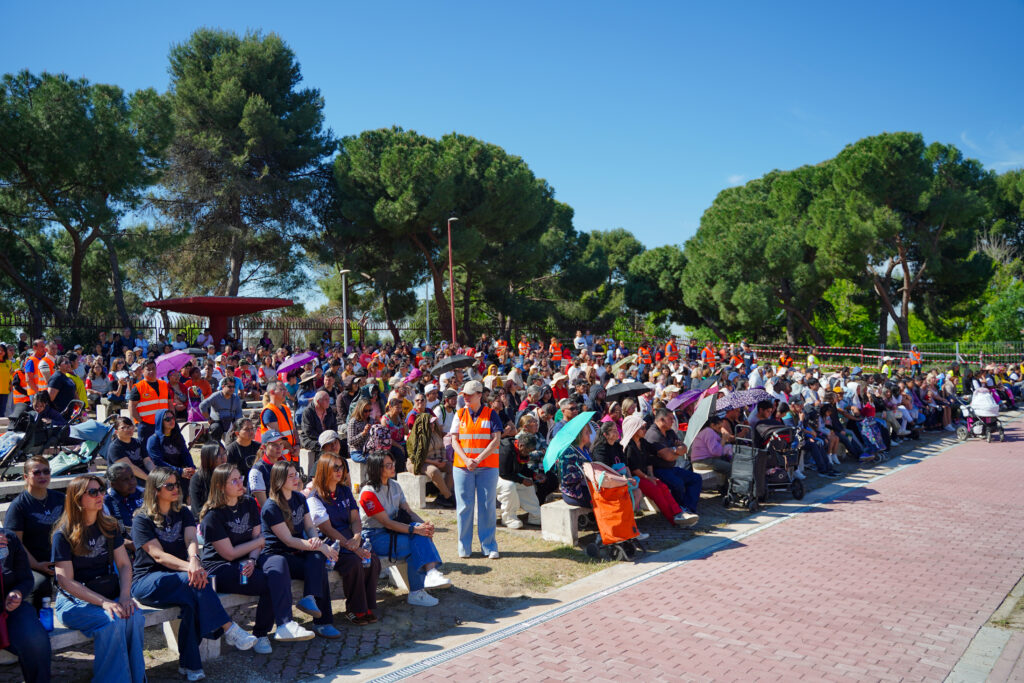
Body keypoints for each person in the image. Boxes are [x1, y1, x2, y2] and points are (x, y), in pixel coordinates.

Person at [130, 468, 257, 680]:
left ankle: (190, 665)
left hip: (183, 577)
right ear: (155, 490)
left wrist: (195, 560)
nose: (176, 488)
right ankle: (229, 629)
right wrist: (190, 567)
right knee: (195, 582)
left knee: (192, 602)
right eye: (169, 485)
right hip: (148, 580)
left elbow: (191, 540)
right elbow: (158, 556)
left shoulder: (183, 512)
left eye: (177, 484)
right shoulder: (141, 519)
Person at [52, 474, 146, 683]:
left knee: (135, 616)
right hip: (74, 601)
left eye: (101, 490)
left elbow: (124, 565)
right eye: (93, 492)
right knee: (112, 621)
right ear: (77, 499)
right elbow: (65, 581)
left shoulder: (110, 526)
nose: (100, 495)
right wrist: (104, 603)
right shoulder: (63, 534)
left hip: (108, 593)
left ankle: (137, 678)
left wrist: (125, 596)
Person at [200, 463, 301, 653]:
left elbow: (258, 540)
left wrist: (252, 559)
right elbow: (229, 553)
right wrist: (257, 544)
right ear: (220, 486)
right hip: (220, 567)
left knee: (278, 564)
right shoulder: (212, 516)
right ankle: (261, 634)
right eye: (234, 481)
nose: (241, 483)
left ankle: (283, 626)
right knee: (269, 583)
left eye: (240, 478)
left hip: (248, 560)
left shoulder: (248, 503)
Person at [358, 452, 450, 607]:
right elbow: (386, 523)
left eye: (393, 463)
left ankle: (425, 581)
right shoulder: (368, 493)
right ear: (377, 469)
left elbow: (408, 511)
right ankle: (423, 582)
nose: (393, 467)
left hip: (393, 531)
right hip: (375, 536)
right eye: (388, 465)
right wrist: (416, 530)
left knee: (420, 535)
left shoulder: (395, 485)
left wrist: (424, 525)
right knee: (416, 541)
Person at [260, 460, 340, 638]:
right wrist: (321, 546)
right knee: (318, 562)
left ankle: (310, 600)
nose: (296, 479)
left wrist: (316, 541)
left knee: (318, 559)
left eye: (296, 474)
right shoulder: (271, 507)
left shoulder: (299, 498)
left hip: (298, 550)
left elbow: (310, 527)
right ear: (279, 480)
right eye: (291, 476)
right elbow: (288, 540)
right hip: (278, 555)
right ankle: (322, 621)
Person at [307, 453, 382, 625]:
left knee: (372, 560)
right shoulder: (315, 497)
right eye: (335, 467)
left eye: (341, 467)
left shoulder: (345, 490)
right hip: (331, 544)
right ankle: (355, 609)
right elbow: (327, 529)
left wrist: (357, 537)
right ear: (324, 469)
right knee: (354, 563)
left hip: (350, 537)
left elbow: (355, 519)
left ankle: (367, 606)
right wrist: (354, 548)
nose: (339, 471)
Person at [450, 380, 502, 559]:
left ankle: (489, 546)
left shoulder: (491, 414)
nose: (466, 397)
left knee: (487, 506)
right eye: (464, 394)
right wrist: (466, 460)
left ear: (480, 395)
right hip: (462, 467)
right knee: (464, 507)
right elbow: (454, 440)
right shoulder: (459, 414)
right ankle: (464, 547)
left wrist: (478, 459)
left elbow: (496, 439)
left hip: (487, 466)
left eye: (470, 394)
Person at [0, 525, 52, 683]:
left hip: (10, 608)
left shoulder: (9, 538)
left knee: (36, 641)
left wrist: (18, 592)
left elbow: (26, 578)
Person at [645, 408, 702, 523]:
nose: (673, 421)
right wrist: (676, 450)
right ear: (661, 420)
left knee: (696, 478)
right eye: (670, 418)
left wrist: (673, 450)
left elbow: (685, 448)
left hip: (671, 468)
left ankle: (688, 508)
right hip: (657, 470)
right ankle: (679, 510)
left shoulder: (669, 432)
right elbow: (667, 457)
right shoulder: (653, 434)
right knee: (678, 483)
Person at [496, 430, 542, 528]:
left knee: (528, 486)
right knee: (509, 486)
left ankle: (535, 515)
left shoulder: (520, 450)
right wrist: (522, 480)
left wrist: (534, 475)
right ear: (521, 445)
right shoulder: (506, 449)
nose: (528, 453)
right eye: (528, 451)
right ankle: (508, 518)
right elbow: (503, 473)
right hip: (493, 475)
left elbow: (522, 468)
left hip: (507, 475)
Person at [146, 408, 196, 489]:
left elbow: (185, 453)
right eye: (167, 419)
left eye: (173, 418)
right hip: (164, 474)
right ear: (160, 421)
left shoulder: (177, 436)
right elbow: (158, 462)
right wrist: (179, 471)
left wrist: (191, 467)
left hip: (181, 471)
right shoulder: (153, 440)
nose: (171, 421)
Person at [103, 462, 144, 553]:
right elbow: (107, 536)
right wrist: (130, 544)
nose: (132, 482)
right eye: (125, 480)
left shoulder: (143, 494)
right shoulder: (105, 502)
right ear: (113, 484)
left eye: (132, 477)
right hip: (121, 549)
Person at [128, 358, 170, 444]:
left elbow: (170, 403)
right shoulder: (138, 387)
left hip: (163, 423)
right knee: (145, 450)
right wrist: (140, 421)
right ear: (142, 371)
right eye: (148, 369)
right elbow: (131, 406)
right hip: (146, 425)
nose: (151, 371)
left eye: (153, 368)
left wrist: (171, 418)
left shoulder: (164, 384)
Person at [106, 416, 153, 484]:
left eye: (130, 426)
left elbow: (147, 461)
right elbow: (130, 467)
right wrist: (149, 479)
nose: (128, 429)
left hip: (141, 476)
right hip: (123, 480)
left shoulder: (138, 442)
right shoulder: (115, 447)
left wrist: (156, 475)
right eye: (123, 428)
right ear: (116, 432)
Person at [261, 381, 299, 463]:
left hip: (292, 456)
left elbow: (294, 429)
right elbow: (277, 436)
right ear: (272, 392)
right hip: (280, 459)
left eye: (286, 389)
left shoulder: (286, 408)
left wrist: (298, 445)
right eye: (282, 389)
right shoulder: (269, 411)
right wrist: (292, 449)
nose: (286, 392)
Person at [247, 430, 287, 506]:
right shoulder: (257, 470)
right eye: (274, 445)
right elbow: (264, 506)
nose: (279, 447)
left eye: (281, 444)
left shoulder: (284, 462)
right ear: (264, 447)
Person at [199, 377, 244, 444]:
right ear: (223, 386)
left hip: (231, 421)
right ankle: (215, 447)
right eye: (229, 387)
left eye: (233, 387)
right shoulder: (216, 396)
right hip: (217, 421)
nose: (232, 389)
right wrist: (208, 418)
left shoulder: (235, 398)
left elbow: (239, 413)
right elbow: (202, 405)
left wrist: (236, 425)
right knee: (216, 428)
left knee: (242, 428)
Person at [189, 443, 227, 516]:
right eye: (218, 455)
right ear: (208, 458)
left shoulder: (228, 475)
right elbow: (197, 509)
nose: (223, 458)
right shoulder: (197, 479)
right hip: (205, 518)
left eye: (224, 453)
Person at [346, 398, 373, 463]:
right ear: (360, 410)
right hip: (356, 451)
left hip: (369, 450)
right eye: (365, 411)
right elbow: (351, 441)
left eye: (370, 410)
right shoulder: (353, 422)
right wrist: (363, 433)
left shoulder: (371, 420)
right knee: (371, 460)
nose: (368, 413)